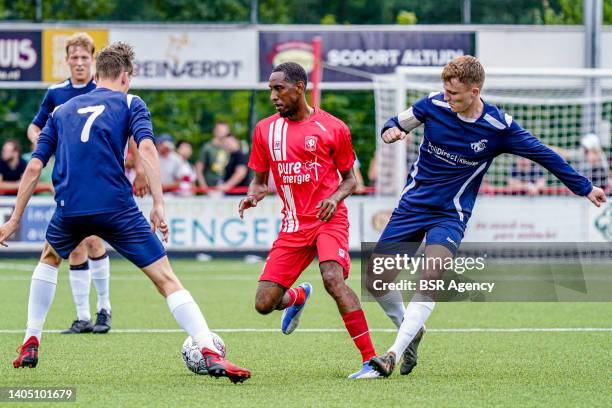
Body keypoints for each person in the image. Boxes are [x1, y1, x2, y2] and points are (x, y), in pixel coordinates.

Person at [1, 42, 251, 383]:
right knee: (166, 278)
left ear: (97, 72)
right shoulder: (131, 102)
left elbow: (33, 168)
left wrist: (14, 218)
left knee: (49, 258)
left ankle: (31, 339)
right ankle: (208, 348)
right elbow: (146, 148)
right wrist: (158, 205)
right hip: (116, 207)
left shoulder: (61, 112)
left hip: (70, 207)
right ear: (124, 76)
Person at [367, 56, 607, 377]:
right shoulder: (432, 105)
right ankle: (412, 332)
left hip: (450, 215)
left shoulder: (498, 127)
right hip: (412, 206)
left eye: (454, 93)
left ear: (474, 91)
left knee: (429, 278)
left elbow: (545, 154)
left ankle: (392, 354)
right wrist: (391, 133)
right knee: (376, 280)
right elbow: (395, 123)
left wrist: (585, 187)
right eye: (445, 90)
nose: (447, 97)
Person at [239, 62, 378, 379]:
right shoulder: (265, 130)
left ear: (299, 88)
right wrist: (254, 194)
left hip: (329, 219)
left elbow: (350, 180)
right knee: (264, 304)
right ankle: (297, 297)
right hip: (292, 226)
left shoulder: (334, 128)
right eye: (270, 90)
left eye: (279, 89)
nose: (273, 96)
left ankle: (371, 360)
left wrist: (334, 198)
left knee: (332, 279)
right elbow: (259, 181)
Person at [26, 32, 119, 335]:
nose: (79, 63)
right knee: (75, 245)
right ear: (66, 60)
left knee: (94, 239)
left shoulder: (102, 89)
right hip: (66, 177)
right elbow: (34, 127)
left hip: (99, 177)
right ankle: (82, 317)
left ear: (92, 60)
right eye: (74, 57)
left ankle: (104, 309)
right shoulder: (56, 93)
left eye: (84, 57)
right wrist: (46, 145)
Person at [196, 122, 230, 192]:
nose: (223, 133)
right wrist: (204, 186)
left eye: (225, 131)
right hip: (210, 187)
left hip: (224, 188)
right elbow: (198, 168)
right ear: (214, 131)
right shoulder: (207, 147)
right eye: (220, 130)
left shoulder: (227, 148)